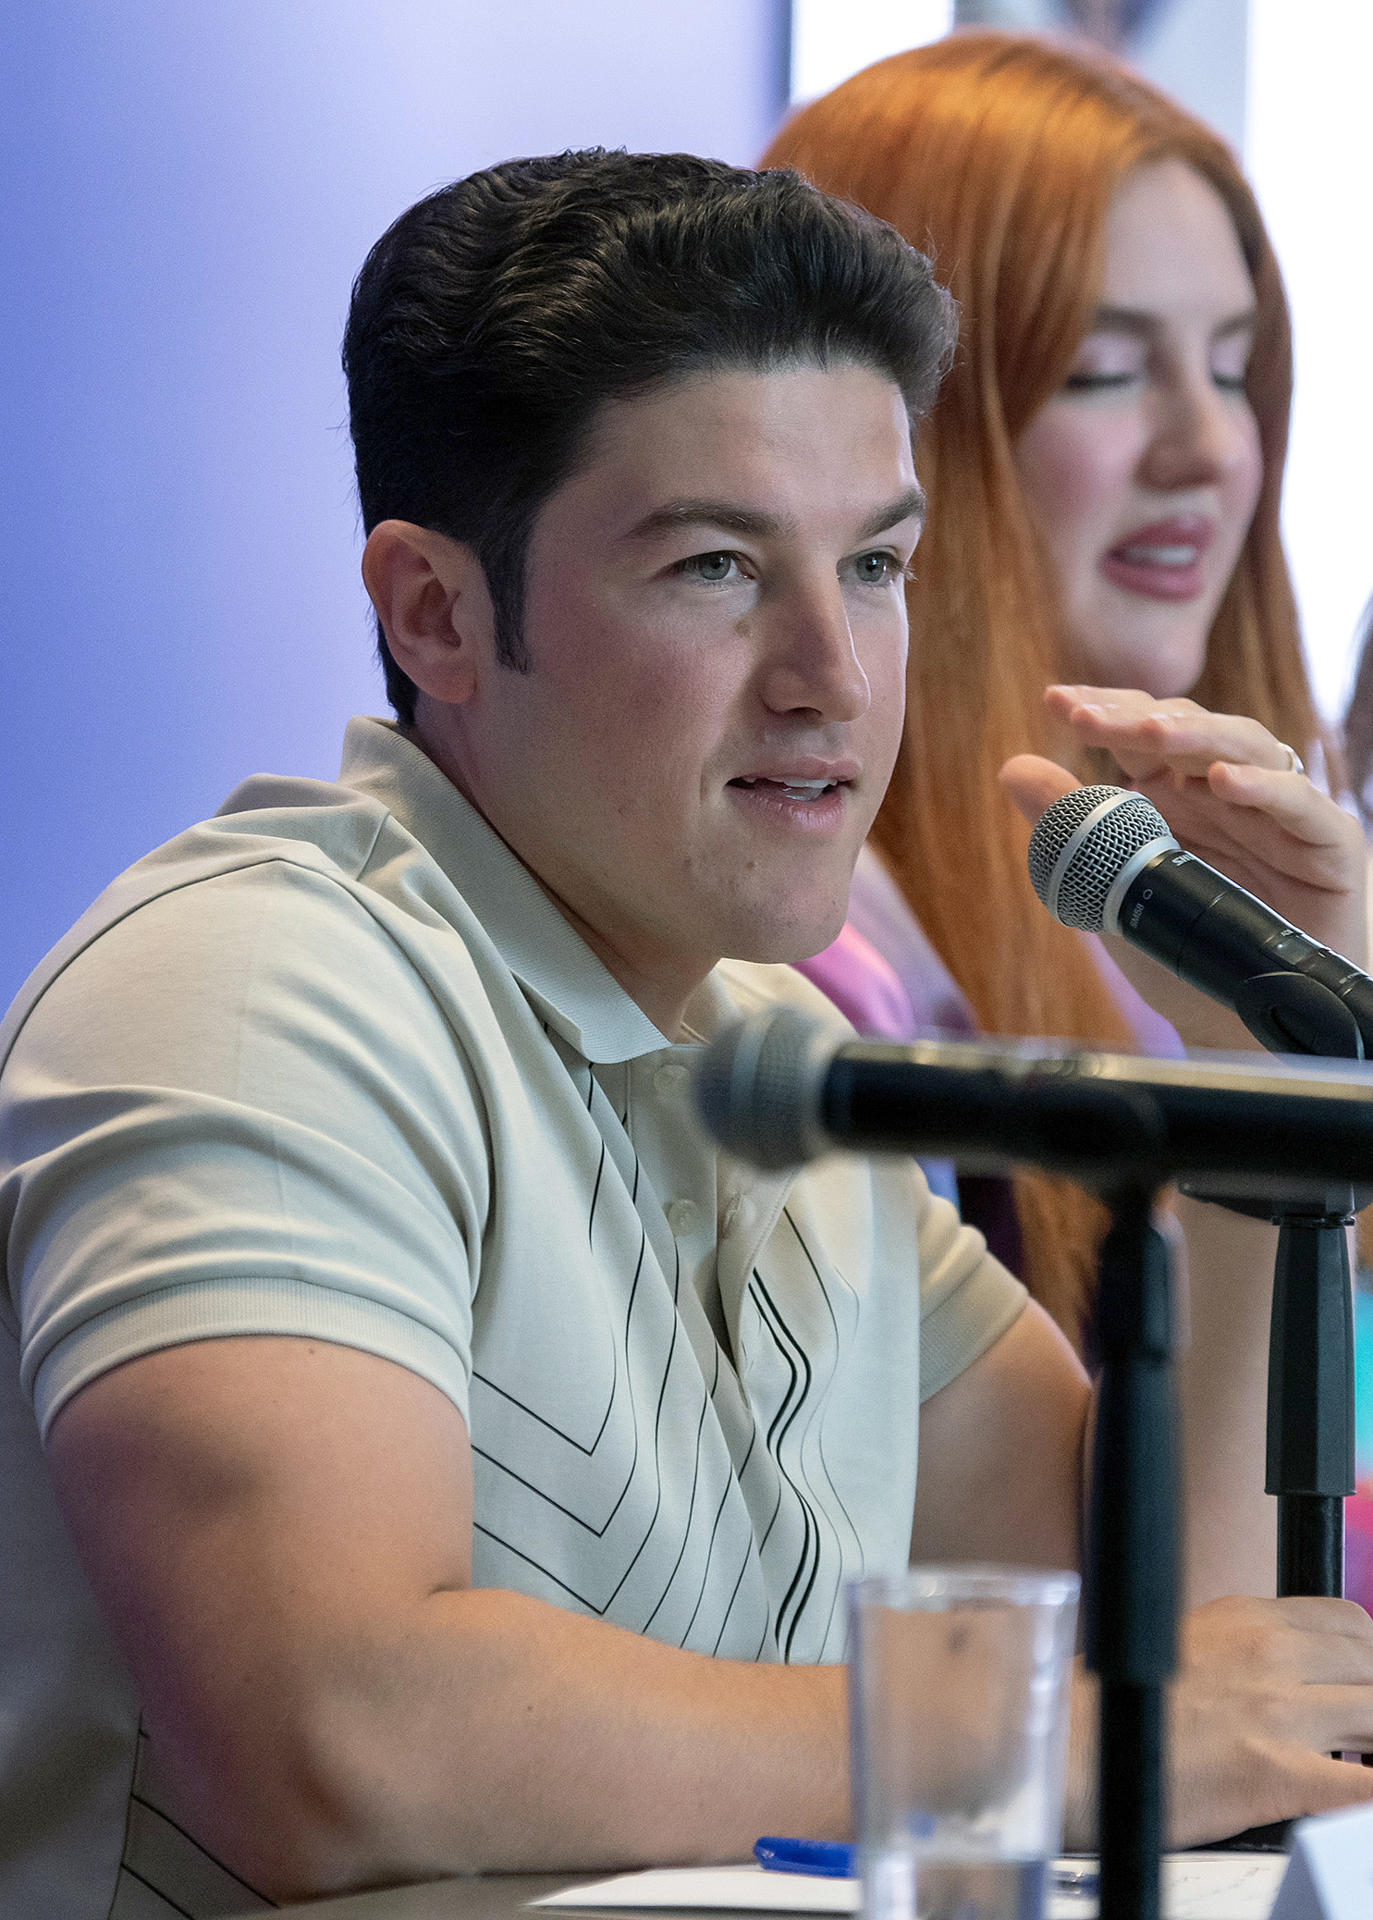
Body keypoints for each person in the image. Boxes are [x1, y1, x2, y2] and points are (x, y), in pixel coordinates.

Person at [3, 150, 1373, 1919]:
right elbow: (339, 1735)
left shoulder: (762, 1036)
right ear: (435, 611)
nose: (834, 673)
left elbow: (1170, 1649)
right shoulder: (250, 983)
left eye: (874, 563)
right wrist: (1060, 1744)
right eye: (719, 566)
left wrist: (1261, 1069)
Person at [763, 30, 1333, 1345]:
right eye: (1104, 371)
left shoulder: (1216, 922)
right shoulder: (826, 990)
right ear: (889, 432)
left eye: (1233, 366)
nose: (1208, 447)